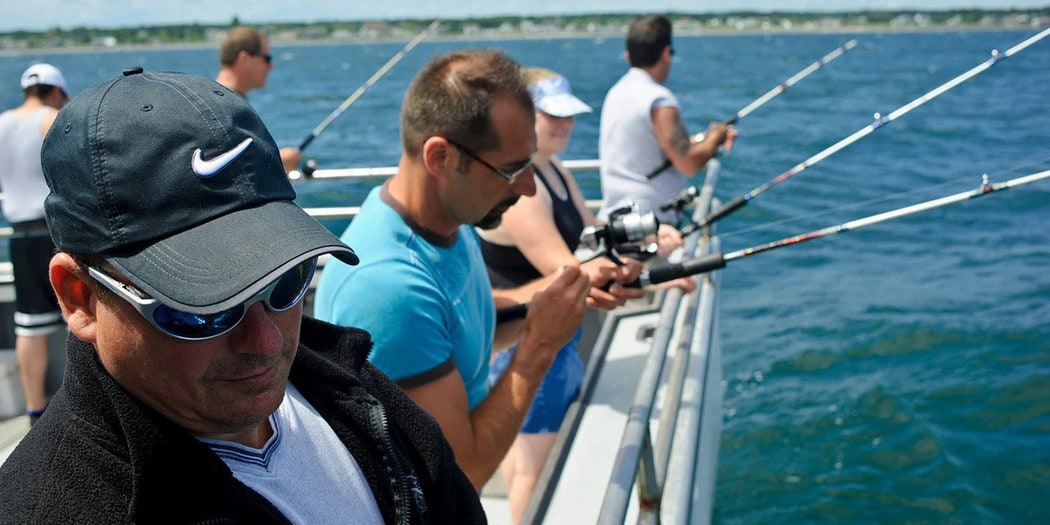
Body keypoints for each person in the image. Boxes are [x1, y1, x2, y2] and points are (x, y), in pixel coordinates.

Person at [0, 68, 485, 523]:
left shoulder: (340, 376)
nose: (267, 341)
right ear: (80, 298)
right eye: (201, 308)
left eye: (287, 280)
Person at [313, 49, 645, 491]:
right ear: (441, 158)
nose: (528, 188)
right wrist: (540, 346)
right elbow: (462, 473)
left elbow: (462, 324)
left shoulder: (445, 222)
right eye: (511, 170)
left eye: (530, 165)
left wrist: (554, 301)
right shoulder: (390, 289)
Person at [476, 67, 696, 523]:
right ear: (522, 117)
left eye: (569, 116)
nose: (565, 126)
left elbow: (595, 234)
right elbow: (570, 271)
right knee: (533, 473)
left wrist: (652, 247)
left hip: (559, 342)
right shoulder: (522, 191)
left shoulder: (552, 169)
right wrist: (650, 274)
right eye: (551, 116)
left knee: (527, 460)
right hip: (525, 346)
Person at [598, 15, 738, 228]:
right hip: (650, 226)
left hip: (617, 218)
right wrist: (715, 139)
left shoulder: (616, 92)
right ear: (665, 53)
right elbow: (688, 163)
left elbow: (650, 146)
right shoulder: (658, 100)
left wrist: (704, 140)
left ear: (628, 55)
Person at [0, 63, 69, 426]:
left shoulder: (1, 123)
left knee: (29, 327)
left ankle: (33, 410)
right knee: (80, 318)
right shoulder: (53, 118)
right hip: (53, 234)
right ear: (55, 91)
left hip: (19, 237)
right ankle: (84, 406)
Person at [216, 25, 302, 174]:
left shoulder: (220, 100)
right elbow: (230, 169)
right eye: (266, 59)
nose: (270, 66)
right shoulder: (226, 108)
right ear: (244, 59)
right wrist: (276, 163)